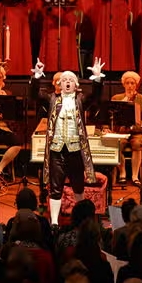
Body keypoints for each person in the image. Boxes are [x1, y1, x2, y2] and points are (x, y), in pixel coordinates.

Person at [44, 70, 99, 226]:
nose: (67, 82)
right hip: (57, 151)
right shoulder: (52, 99)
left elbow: (95, 96)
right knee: (55, 187)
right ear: (59, 84)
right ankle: (54, 221)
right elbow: (35, 95)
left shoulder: (80, 99)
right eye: (64, 80)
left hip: (74, 150)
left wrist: (97, 78)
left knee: (78, 185)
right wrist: (35, 78)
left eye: (71, 80)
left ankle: (80, 219)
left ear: (76, 85)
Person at [40, 0, 80, 72]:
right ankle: (50, 69)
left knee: (66, 43)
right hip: (51, 16)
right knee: (51, 43)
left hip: (66, 16)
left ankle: (67, 68)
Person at [111, 71, 142, 186]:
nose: (130, 86)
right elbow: (110, 117)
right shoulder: (116, 98)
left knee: (137, 143)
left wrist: (134, 127)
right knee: (117, 144)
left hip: (136, 132)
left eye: (132, 83)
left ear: (136, 84)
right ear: (123, 84)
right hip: (121, 131)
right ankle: (122, 173)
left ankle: (134, 176)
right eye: (127, 83)